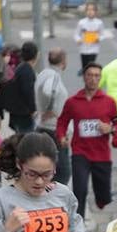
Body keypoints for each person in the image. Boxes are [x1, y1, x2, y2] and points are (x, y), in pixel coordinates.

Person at [58, 62, 117, 217]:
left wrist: (110, 128)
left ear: (100, 78)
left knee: (104, 197)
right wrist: (61, 136)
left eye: (97, 76)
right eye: (90, 75)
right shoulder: (72, 102)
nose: (93, 79)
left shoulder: (109, 102)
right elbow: (62, 121)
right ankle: (79, 221)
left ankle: (102, 200)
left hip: (102, 154)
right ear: (84, 77)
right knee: (80, 190)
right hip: (80, 152)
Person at [36, 48, 71, 184]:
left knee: (49, 168)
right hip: (53, 129)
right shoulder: (53, 76)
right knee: (63, 171)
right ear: (64, 61)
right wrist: (51, 109)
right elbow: (48, 91)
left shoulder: (44, 73)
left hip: (45, 127)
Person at [6, 42, 40, 135]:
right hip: (23, 114)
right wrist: (33, 110)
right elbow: (28, 92)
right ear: (36, 55)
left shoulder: (21, 67)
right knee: (25, 138)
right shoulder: (27, 71)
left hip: (18, 112)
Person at [74, 0, 106, 70]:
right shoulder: (81, 22)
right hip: (83, 48)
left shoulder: (99, 23)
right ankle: (83, 72)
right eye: (88, 10)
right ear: (85, 11)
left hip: (94, 48)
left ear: (96, 12)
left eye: (92, 10)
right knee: (84, 66)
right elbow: (76, 34)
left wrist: (99, 38)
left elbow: (103, 35)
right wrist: (78, 40)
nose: (90, 12)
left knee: (91, 65)